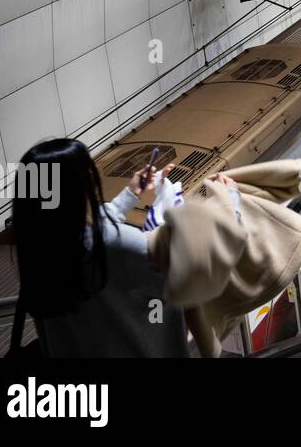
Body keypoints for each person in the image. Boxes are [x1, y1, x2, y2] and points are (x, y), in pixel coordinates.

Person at [11, 138, 191, 357]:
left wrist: (131, 192)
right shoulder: (117, 244)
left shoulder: (39, 246)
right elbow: (180, 281)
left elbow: (91, 230)